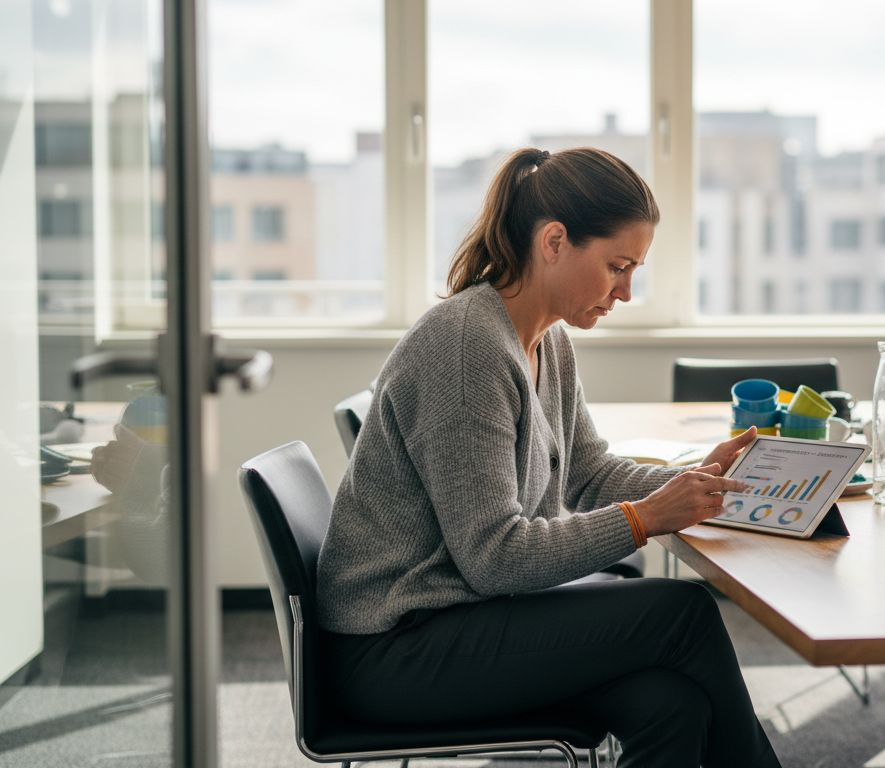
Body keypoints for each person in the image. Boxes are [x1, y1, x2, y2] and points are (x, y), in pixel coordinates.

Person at [315, 147, 781, 768]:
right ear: (555, 241)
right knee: (685, 612)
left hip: (461, 620)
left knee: (671, 703)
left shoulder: (546, 337)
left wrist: (693, 485)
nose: (626, 291)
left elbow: (589, 474)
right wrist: (646, 519)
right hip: (397, 649)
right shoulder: (466, 349)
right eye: (618, 266)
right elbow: (493, 558)